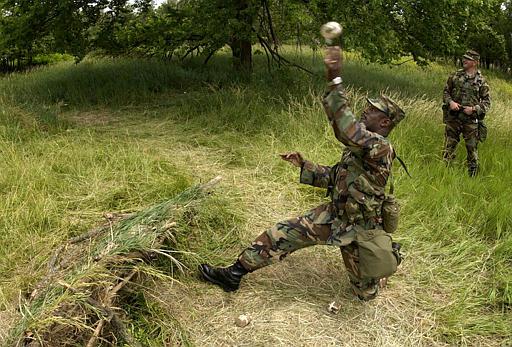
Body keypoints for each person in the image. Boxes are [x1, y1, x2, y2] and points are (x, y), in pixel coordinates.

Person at [199, 45, 405, 301]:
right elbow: (335, 176)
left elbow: (346, 129)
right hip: (335, 216)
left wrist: (335, 79)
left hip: (361, 228)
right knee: (281, 233)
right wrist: (304, 165)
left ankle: (387, 257)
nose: (366, 110)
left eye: (373, 110)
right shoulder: (361, 148)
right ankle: (234, 274)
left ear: (385, 122)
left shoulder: (379, 146)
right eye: (367, 107)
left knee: (365, 293)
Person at [442, 50, 491, 177]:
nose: (464, 60)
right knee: (448, 147)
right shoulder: (455, 76)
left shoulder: (481, 81)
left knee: (472, 150)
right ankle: (445, 173)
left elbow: (487, 103)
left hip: (470, 121)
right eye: (464, 58)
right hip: (453, 118)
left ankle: (472, 177)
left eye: (468, 59)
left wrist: (474, 109)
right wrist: (451, 102)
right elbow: (446, 92)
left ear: (475, 62)